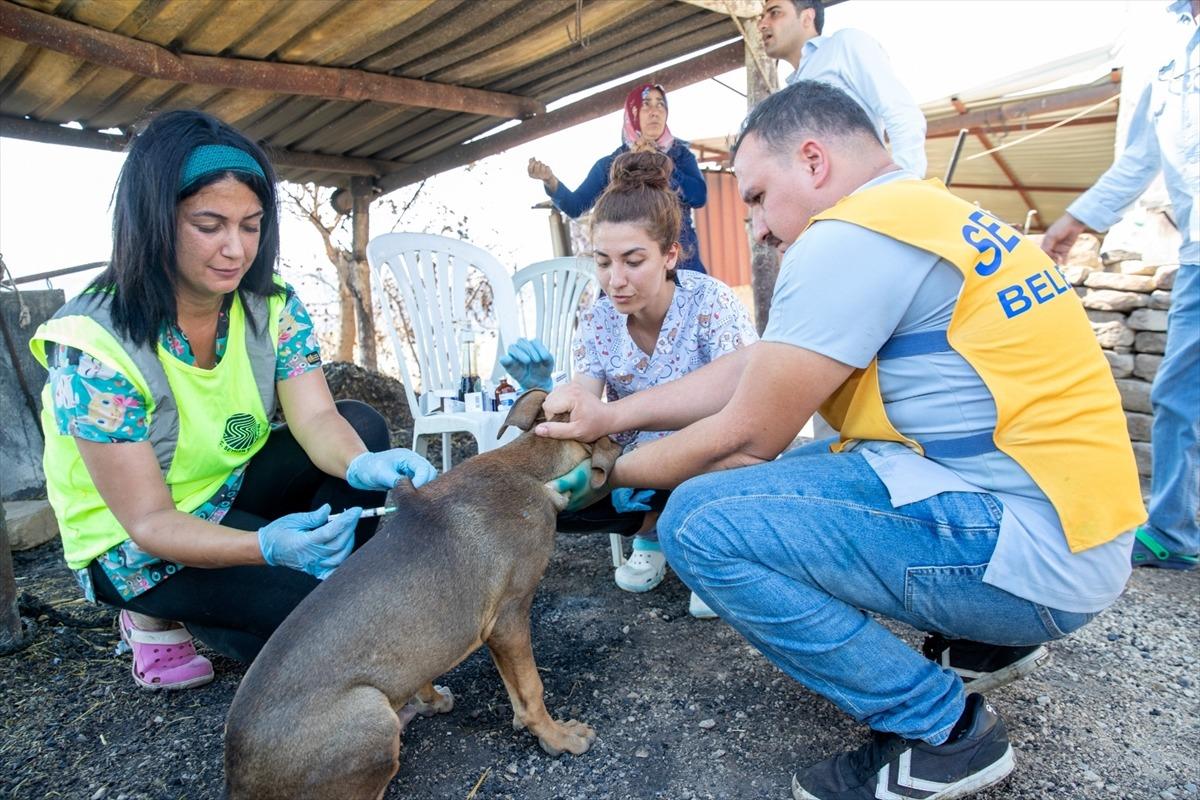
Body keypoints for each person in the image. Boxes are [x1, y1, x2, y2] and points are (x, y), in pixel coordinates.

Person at [536, 81, 1144, 800]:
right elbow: (753, 368)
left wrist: (605, 479)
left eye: (758, 196)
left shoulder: (846, 237)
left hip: (1034, 555)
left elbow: (747, 438)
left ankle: (942, 730)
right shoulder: (925, 214)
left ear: (814, 161)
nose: (759, 227)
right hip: (1080, 534)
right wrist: (608, 420)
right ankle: (986, 638)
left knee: (699, 521)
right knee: (824, 464)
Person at [30, 110, 438, 690]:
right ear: (154, 220)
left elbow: (316, 416)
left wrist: (359, 465)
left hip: (226, 489)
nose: (236, 249)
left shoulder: (270, 305)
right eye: (209, 225)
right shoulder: (95, 347)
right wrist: (265, 547)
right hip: (136, 540)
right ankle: (155, 612)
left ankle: (314, 586)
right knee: (314, 629)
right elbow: (148, 520)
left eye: (251, 226)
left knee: (361, 428)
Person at [504, 151, 757, 617]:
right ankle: (654, 531)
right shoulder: (598, 319)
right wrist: (545, 391)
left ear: (670, 255)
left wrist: (619, 421)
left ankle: (714, 548)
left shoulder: (711, 302)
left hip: (710, 455)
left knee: (723, 453)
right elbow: (584, 401)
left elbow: (741, 391)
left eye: (633, 261)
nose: (615, 280)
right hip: (641, 469)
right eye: (602, 262)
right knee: (558, 499)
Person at [1041, 0, 1198, 572]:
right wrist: (1076, 219)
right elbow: (1141, 155)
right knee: (1177, 396)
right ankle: (1173, 533)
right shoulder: (1168, 41)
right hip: (1196, 252)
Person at [527, 83, 710, 273]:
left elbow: (698, 197)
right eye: (646, 104)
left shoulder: (680, 156)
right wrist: (550, 181)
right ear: (633, 112)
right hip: (633, 267)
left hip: (681, 264)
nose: (655, 112)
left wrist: (660, 162)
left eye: (660, 105)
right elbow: (576, 207)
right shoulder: (612, 164)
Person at [757, 0, 927, 177]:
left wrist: (905, 182)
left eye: (774, 13)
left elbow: (901, 112)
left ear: (807, 17)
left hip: (864, 189)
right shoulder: (791, 89)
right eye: (762, 17)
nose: (762, 25)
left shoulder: (843, 45)